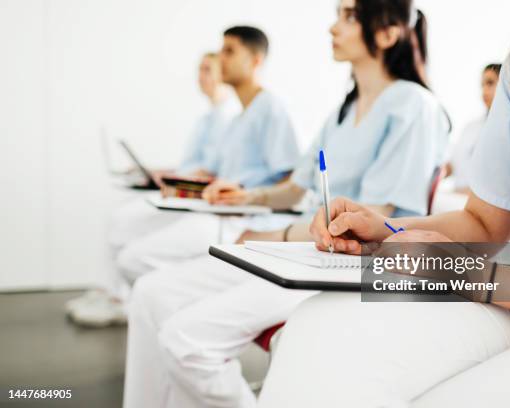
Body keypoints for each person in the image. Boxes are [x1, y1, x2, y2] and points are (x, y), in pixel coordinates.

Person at [258, 1, 510, 407]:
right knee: (318, 331)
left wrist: (469, 271)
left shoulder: (410, 105)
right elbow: (483, 223)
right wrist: (389, 229)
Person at [123, 1, 451, 407]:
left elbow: (371, 218)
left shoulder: (413, 107)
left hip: (352, 265)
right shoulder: (342, 111)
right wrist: (248, 196)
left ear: (387, 33)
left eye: (348, 17)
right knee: (151, 292)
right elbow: (296, 187)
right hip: (301, 249)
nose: (333, 28)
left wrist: (271, 233)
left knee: (185, 339)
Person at [65, 51, 240, 326]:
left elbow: (216, 171)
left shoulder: (230, 117)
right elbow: (194, 165)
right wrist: (162, 172)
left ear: (224, 72)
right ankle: (109, 292)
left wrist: (177, 178)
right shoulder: (207, 119)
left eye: (208, 69)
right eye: (199, 69)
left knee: (123, 223)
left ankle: (118, 299)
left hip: (200, 201)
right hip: (182, 189)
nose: (201, 76)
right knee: (117, 217)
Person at [443, 63, 501, 193]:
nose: (484, 90)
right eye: (482, 85)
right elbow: (452, 164)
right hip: (456, 199)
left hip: (481, 205)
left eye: (490, 83)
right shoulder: (471, 127)